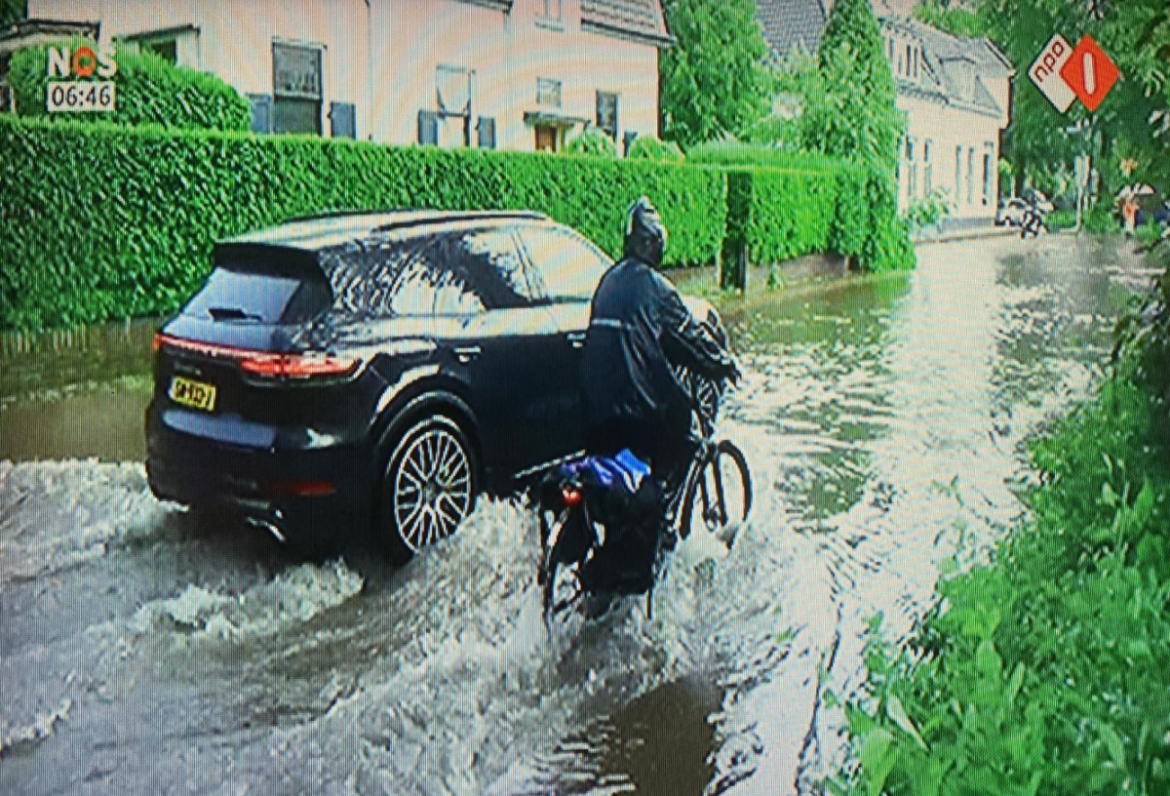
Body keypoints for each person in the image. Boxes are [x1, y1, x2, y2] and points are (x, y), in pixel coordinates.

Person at [576, 196, 739, 595]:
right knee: (683, 441)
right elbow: (691, 342)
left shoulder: (607, 280)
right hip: (637, 409)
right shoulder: (659, 289)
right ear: (654, 243)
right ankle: (663, 524)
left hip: (594, 411)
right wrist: (722, 364)